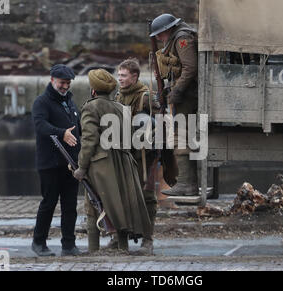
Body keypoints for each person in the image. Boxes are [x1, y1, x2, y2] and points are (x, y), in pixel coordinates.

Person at [73, 69, 151, 253]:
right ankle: (123, 248)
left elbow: (89, 140)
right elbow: (131, 138)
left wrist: (81, 167)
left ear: (93, 89)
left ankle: (93, 250)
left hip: (101, 165)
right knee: (120, 205)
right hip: (124, 163)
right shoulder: (121, 108)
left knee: (92, 206)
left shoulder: (91, 107)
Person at [106, 58, 160, 255]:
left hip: (143, 155)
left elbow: (162, 120)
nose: (119, 79)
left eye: (123, 75)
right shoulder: (118, 96)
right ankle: (120, 237)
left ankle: (148, 240)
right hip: (123, 154)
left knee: (146, 197)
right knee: (120, 196)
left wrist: (150, 127)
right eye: (118, 75)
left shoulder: (146, 96)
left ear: (134, 76)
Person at [31, 64, 81, 257]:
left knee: (70, 206)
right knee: (49, 203)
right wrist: (62, 134)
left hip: (70, 164)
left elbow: (78, 127)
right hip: (50, 164)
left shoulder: (70, 102)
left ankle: (68, 244)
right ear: (52, 80)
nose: (65, 86)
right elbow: (41, 125)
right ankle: (39, 242)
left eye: (68, 83)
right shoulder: (41, 102)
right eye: (62, 83)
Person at [150, 13, 199, 196]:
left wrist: (177, 90)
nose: (158, 38)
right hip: (186, 93)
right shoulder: (178, 36)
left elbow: (190, 67)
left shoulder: (181, 38)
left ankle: (187, 183)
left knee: (181, 137)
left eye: (159, 34)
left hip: (188, 95)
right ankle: (189, 183)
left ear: (167, 29)